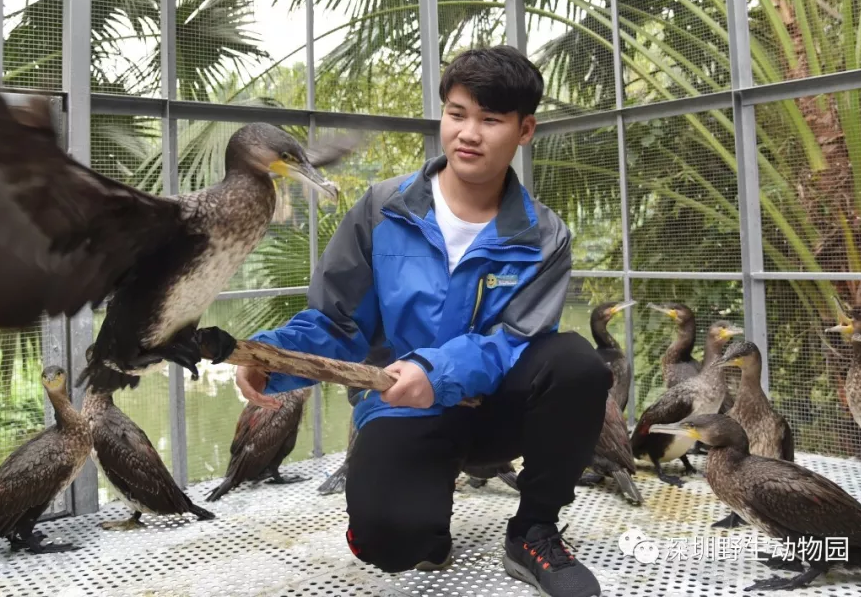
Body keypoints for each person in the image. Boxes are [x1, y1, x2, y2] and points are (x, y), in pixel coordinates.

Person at [237, 45, 610, 597]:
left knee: (577, 364)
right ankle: (425, 519)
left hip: (496, 410)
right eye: (457, 114)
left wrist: (436, 372)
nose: (468, 133)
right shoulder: (383, 208)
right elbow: (338, 321)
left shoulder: (543, 234)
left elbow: (515, 339)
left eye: (490, 120)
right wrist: (274, 359)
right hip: (402, 405)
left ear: (524, 130)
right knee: (390, 542)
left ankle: (534, 529)